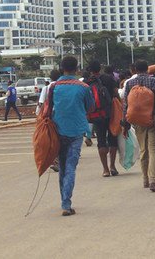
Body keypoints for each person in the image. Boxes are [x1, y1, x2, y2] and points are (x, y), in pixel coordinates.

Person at [52, 56, 94, 216]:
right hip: (77, 130)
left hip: (58, 129)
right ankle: (66, 203)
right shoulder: (83, 87)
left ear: (62, 68)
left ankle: (64, 200)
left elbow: (48, 110)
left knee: (62, 166)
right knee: (70, 167)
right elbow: (90, 108)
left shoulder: (53, 87)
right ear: (77, 69)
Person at [123, 60, 155, 192]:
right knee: (153, 149)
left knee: (143, 150)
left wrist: (125, 123)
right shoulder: (154, 82)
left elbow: (125, 104)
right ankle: (153, 180)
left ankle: (145, 180)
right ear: (147, 69)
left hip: (137, 121)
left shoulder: (130, 83)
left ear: (135, 70)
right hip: (153, 120)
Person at [87, 61, 120, 177]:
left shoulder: (87, 82)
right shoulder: (109, 78)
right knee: (113, 139)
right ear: (100, 68)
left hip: (96, 115)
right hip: (110, 113)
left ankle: (105, 169)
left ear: (90, 70)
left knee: (101, 141)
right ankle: (113, 166)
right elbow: (116, 93)